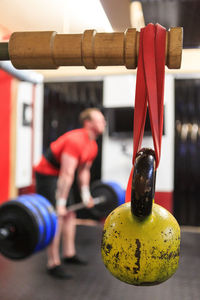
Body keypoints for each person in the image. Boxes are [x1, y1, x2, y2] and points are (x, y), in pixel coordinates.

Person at [34, 108, 106, 279]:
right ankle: (53, 263)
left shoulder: (92, 144)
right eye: (100, 119)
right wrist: (59, 204)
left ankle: (69, 253)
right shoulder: (75, 140)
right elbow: (66, 174)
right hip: (47, 174)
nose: (103, 122)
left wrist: (86, 194)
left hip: (62, 175)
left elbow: (83, 171)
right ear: (88, 123)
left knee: (70, 213)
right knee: (57, 217)